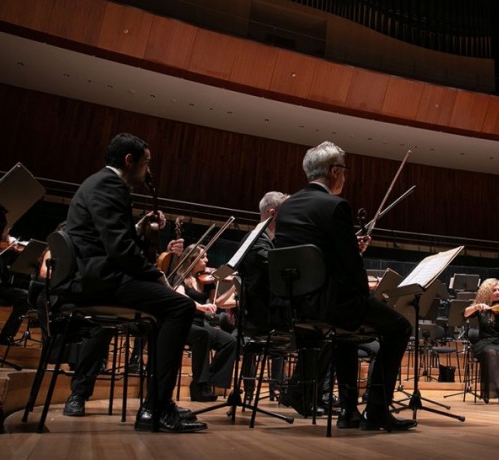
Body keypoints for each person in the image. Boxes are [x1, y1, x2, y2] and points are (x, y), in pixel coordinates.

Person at [63, 132, 206, 432]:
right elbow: (120, 251)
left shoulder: (96, 182)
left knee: (168, 308)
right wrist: (157, 276)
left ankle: (157, 402)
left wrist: (141, 229)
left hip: (96, 276)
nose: (148, 171)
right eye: (147, 163)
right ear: (130, 160)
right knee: (179, 307)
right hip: (101, 281)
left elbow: (112, 237)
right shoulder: (109, 184)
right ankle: (157, 407)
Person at [274, 140, 415, 431]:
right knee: (399, 327)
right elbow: (351, 269)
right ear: (335, 171)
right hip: (333, 303)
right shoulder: (336, 205)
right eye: (345, 170)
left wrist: (351, 246)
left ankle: (349, 411)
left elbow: (317, 254)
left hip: (298, 305)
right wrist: (367, 294)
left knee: (347, 329)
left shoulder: (286, 208)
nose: (345, 176)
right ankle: (376, 410)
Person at [238, 191, 288, 401]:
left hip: (268, 310)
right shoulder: (256, 241)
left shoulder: (269, 239)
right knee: (318, 331)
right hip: (262, 315)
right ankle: (298, 393)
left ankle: (295, 391)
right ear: (273, 213)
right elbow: (278, 269)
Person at [174, 244, 237, 402]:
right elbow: (180, 297)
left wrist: (232, 285)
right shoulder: (181, 277)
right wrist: (200, 306)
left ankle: (207, 380)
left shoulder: (208, 280)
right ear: (191, 259)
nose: (207, 260)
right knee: (202, 335)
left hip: (201, 323)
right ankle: (198, 386)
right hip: (184, 324)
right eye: (202, 257)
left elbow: (220, 303)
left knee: (230, 341)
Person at [463, 278, 499, 404]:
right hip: (484, 342)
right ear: (487, 292)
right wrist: (477, 306)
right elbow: (465, 314)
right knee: (490, 352)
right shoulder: (481, 308)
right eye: (494, 290)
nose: (497, 292)